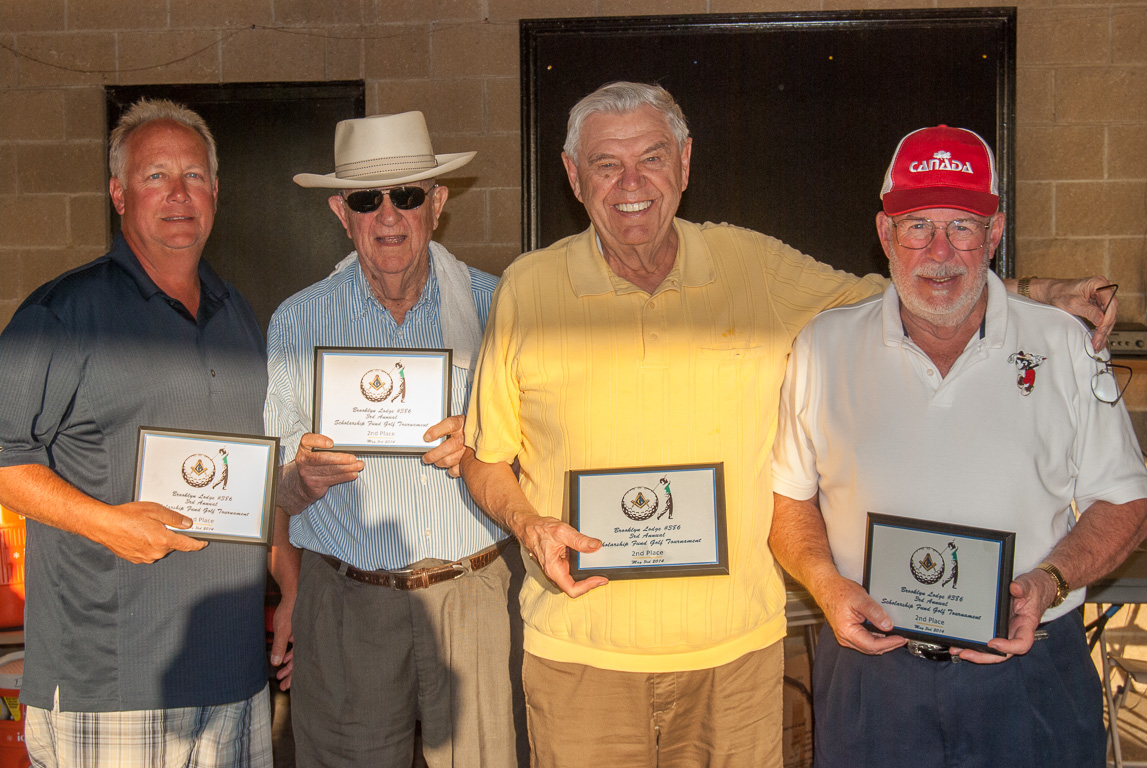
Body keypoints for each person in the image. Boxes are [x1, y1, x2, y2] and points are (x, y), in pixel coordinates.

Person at [459, 82, 1119, 767]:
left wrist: (1040, 292)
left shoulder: (753, 267)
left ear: (684, 163)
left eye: (651, 158)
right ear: (572, 176)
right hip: (578, 654)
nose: (631, 183)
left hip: (734, 656)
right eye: (605, 164)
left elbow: (910, 283)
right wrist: (526, 524)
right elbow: (485, 454)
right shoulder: (526, 290)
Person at [770, 125, 1147, 767]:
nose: (939, 252)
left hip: (1030, 673)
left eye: (962, 227)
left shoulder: (1063, 346)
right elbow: (788, 502)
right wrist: (826, 585)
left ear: (993, 235)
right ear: (886, 235)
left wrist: (1049, 581)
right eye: (917, 226)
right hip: (873, 676)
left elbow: (1126, 502)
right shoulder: (823, 348)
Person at [0, 98, 285, 767]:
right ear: (118, 193)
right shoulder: (61, 315)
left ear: (216, 192)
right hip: (112, 683)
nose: (178, 194)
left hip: (235, 679)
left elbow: (254, 470)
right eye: (156, 176)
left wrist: (290, 578)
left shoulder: (236, 311)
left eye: (193, 176)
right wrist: (107, 523)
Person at [266, 111, 524, 768]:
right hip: (346, 602)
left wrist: (487, 433)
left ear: (437, 204)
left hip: (473, 598)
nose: (388, 215)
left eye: (407, 194)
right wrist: (299, 479)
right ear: (340, 211)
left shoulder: (499, 310)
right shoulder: (297, 321)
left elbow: (549, 448)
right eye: (366, 199)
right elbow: (275, 485)